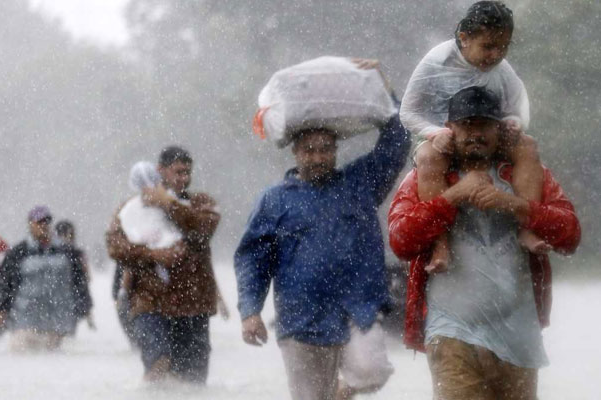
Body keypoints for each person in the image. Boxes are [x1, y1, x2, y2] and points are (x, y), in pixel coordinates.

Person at [388, 86, 581, 399]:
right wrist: (453, 196)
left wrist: (515, 205)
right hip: (451, 335)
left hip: (519, 337)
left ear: (500, 128)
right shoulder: (425, 177)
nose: (475, 133)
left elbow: (570, 235)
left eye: (484, 125)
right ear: (449, 130)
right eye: (466, 125)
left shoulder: (525, 175)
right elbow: (400, 240)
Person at [235, 60, 410, 400]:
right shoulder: (274, 201)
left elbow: (397, 143)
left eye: (326, 150)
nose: (318, 158)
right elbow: (252, 261)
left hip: (356, 307)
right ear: (295, 151)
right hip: (301, 317)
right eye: (310, 151)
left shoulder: (360, 184)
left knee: (371, 371)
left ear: (335, 150)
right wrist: (250, 311)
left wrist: (385, 89)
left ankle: (343, 392)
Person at [400, 1, 547, 274]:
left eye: (503, 47)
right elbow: (408, 112)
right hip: (442, 136)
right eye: (488, 47)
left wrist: (514, 123)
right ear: (464, 38)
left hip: (489, 136)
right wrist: (435, 133)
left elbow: (519, 105)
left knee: (528, 146)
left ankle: (527, 228)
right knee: (428, 157)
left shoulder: (502, 68)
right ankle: (440, 242)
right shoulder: (436, 61)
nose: (496, 55)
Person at [106, 147, 224, 383]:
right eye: (178, 172)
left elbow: (203, 230)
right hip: (149, 304)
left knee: (193, 382)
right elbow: (115, 247)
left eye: (187, 173)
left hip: (193, 304)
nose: (184, 178)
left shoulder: (200, 202)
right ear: (160, 171)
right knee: (159, 366)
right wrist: (153, 255)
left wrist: (168, 204)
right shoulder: (131, 208)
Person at [0, 206, 92, 351]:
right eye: (39, 222)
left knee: (56, 363)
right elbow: (4, 282)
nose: (43, 226)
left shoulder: (67, 251)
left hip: (58, 321)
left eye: (46, 221)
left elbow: (79, 281)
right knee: (22, 359)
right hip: (25, 320)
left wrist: (85, 307)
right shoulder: (18, 252)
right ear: (30, 224)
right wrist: (0, 308)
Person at [55, 220, 95, 332]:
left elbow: (85, 279)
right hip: (69, 300)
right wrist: (88, 312)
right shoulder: (76, 253)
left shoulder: (53, 252)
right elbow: (86, 279)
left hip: (62, 301)